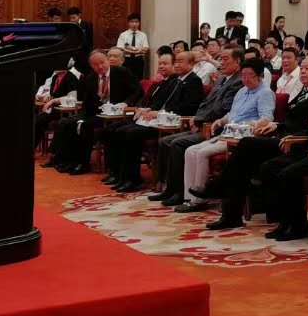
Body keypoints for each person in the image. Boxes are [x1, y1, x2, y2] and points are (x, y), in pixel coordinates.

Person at [212, 55, 308, 232]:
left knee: (271, 163)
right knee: (248, 149)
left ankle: (291, 223)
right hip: (302, 141)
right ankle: (235, 209)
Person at [175, 57, 275, 214]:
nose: (245, 79)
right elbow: (232, 114)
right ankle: (189, 197)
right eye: (243, 75)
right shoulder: (241, 91)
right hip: (227, 133)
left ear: (260, 75)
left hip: (242, 137)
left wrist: (252, 124)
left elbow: (267, 118)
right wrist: (220, 121)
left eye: (249, 75)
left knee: (202, 153)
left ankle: (199, 200)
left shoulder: (265, 93)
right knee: (190, 150)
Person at [150, 47, 244, 207]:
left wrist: (200, 120)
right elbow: (205, 103)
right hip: (203, 123)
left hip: (214, 128)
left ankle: (180, 192)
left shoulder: (238, 82)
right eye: (220, 59)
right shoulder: (222, 79)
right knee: (165, 141)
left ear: (238, 61)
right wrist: (196, 118)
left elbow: (222, 108)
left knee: (177, 144)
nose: (221, 62)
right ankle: (170, 188)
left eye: (225, 59)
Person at [105, 50, 204, 190]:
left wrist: (159, 113)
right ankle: (121, 175)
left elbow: (188, 107)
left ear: (191, 64)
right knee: (119, 130)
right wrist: (148, 110)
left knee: (131, 133)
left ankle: (133, 179)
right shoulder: (177, 80)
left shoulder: (194, 81)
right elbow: (161, 103)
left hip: (172, 123)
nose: (177, 64)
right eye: (176, 61)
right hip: (159, 120)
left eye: (180, 62)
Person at [48, 49, 141, 174]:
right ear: (91, 66)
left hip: (117, 113)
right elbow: (86, 101)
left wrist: (126, 103)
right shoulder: (90, 78)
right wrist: (81, 115)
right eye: (96, 65)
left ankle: (83, 163)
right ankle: (66, 160)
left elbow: (137, 91)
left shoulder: (121, 72)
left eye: (102, 62)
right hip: (97, 113)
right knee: (67, 123)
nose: (100, 67)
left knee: (84, 126)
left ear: (107, 60)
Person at [116, 13, 150, 81]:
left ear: (139, 23)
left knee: (138, 79)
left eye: (136, 22)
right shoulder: (123, 35)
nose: (134, 24)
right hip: (126, 60)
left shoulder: (143, 35)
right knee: (126, 79)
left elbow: (145, 48)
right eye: (132, 22)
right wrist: (136, 51)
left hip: (139, 60)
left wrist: (133, 51)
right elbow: (120, 48)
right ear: (128, 23)